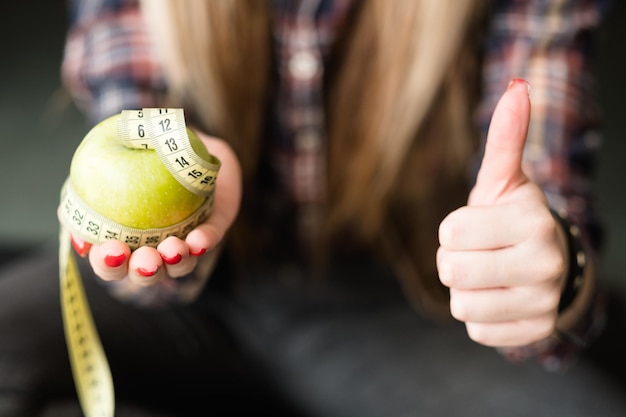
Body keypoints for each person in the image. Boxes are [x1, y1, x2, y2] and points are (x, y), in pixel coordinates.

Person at [0, 0, 620, 416]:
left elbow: (543, 186)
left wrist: (549, 270)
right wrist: (191, 192)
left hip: (397, 308)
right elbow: (132, 129)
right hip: (201, 282)